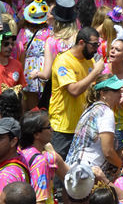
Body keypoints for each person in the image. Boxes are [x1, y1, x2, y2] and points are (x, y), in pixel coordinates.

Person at [48, 28, 104, 157]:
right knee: (59, 172)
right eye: (94, 45)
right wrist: (95, 72)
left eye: (98, 45)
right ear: (81, 43)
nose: (96, 49)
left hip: (82, 127)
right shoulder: (64, 61)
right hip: (63, 128)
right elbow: (74, 90)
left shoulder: (89, 60)